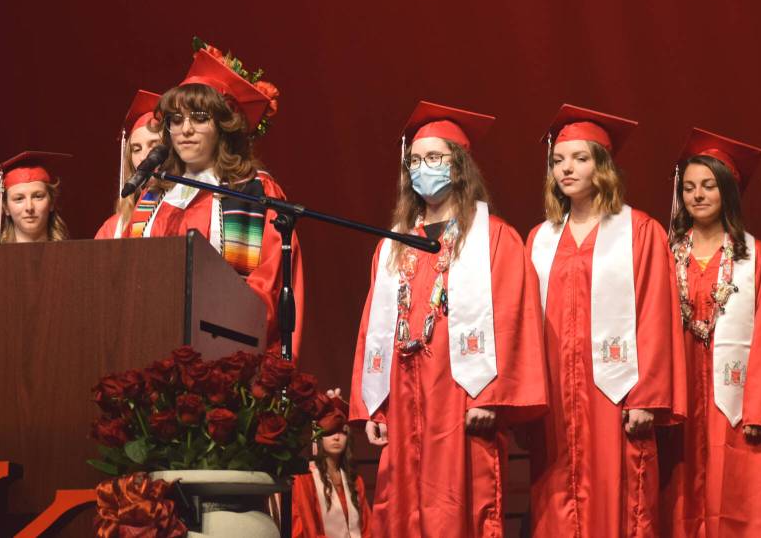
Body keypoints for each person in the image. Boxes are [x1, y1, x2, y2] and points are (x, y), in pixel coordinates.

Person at [349, 101, 547, 536]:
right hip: (402, 396)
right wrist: (374, 407)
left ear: (458, 166)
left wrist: (490, 395)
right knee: (398, 507)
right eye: (415, 160)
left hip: (461, 395)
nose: (423, 169)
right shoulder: (393, 247)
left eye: (434, 158)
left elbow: (514, 319)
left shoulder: (496, 240)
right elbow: (373, 330)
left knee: (458, 507)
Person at [526, 105, 686, 537]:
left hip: (615, 394)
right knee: (555, 496)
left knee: (619, 497)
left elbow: (655, 313)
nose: (566, 169)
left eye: (579, 158)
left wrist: (646, 397)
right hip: (556, 395)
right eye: (558, 160)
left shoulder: (640, 231)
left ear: (603, 166)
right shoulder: (540, 238)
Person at [121, 39, 303, 353]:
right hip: (147, 352)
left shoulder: (252, 192)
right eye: (176, 120)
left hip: (222, 361)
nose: (184, 130)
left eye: (199, 118)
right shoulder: (155, 195)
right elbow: (124, 275)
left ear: (223, 126)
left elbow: (265, 291)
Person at [658, 129, 761, 538]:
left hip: (736, 403)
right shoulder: (664, 254)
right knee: (678, 492)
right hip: (680, 394)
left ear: (727, 191)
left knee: (741, 494)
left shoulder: (757, 257)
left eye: (708, 186)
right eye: (690, 187)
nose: (697, 195)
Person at [292, 391, 372, 538]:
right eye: (330, 432)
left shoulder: (355, 481)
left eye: (342, 432)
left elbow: (367, 528)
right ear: (318, 437)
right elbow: (306, 527)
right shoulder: (305, 479)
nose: (336, 437)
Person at [95, 89, 163, 239]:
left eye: (153, 145)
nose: (144, 156)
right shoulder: (114, 228)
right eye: (136, 149)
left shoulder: (182, 214)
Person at [0, 151, 72, 243]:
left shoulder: (71, 257)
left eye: (38, 196)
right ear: (5, 207)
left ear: (51, 203)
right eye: (19, 199)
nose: (29, 207)